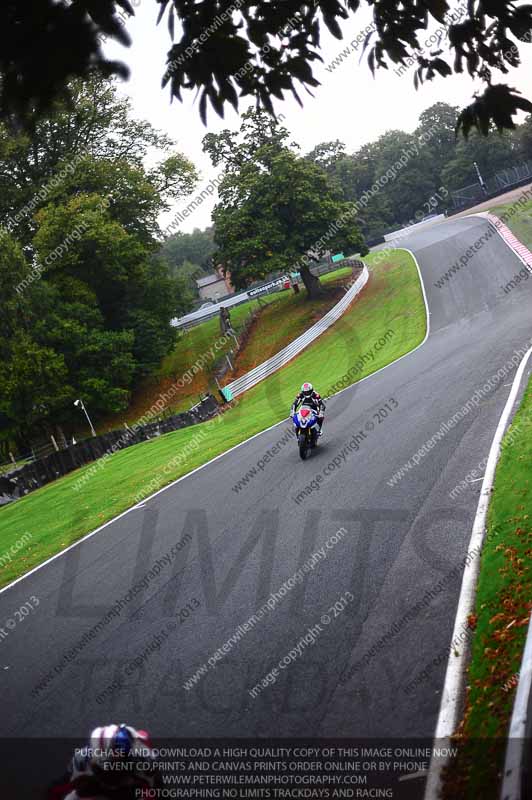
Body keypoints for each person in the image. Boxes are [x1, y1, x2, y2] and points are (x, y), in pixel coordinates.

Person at [46, 723, 160, 799]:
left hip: (130, 788)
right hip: (95, 785)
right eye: (107, 771)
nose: (113, 775)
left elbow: (155, 794)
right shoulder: (82, 761)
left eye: (119, 767)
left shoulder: (147, 761)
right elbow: (55, 791)